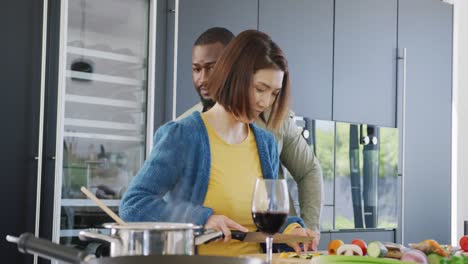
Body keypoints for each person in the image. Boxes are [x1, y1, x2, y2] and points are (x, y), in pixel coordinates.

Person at [120, 30, 312, 256]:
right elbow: (134, 204)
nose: (265, 102)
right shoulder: (183, 135)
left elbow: (266, 220)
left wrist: (292, 229)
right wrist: (203, 219)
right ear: (234, 76)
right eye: (260, 89)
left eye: (274, 93)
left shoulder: (265, 143)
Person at [179, 27, 323, 250]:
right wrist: (202, 218)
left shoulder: (272, 128)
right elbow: (159, 203)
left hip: (277, 251)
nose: (205, 79)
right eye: (197, 69)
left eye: (212, 68)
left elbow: (309, 171)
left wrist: (305, 230)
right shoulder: (185, 129)